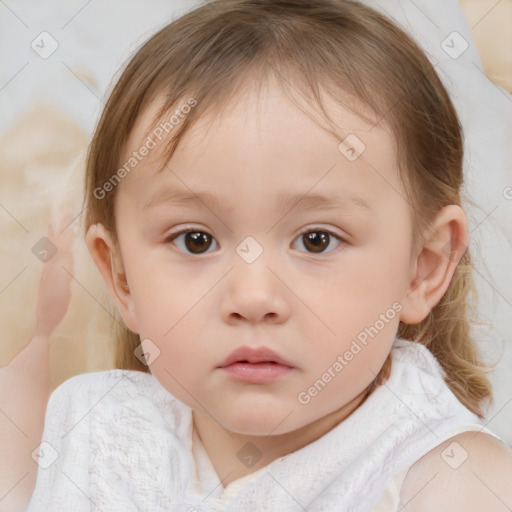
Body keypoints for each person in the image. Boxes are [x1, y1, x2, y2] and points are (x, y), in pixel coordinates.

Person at [26, 0, 512, 510]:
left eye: (316, 240)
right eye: (196, 240)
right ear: (121, 277)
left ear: (423, 268)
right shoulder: (98, 432)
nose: (253, 298)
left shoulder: (454, 483)